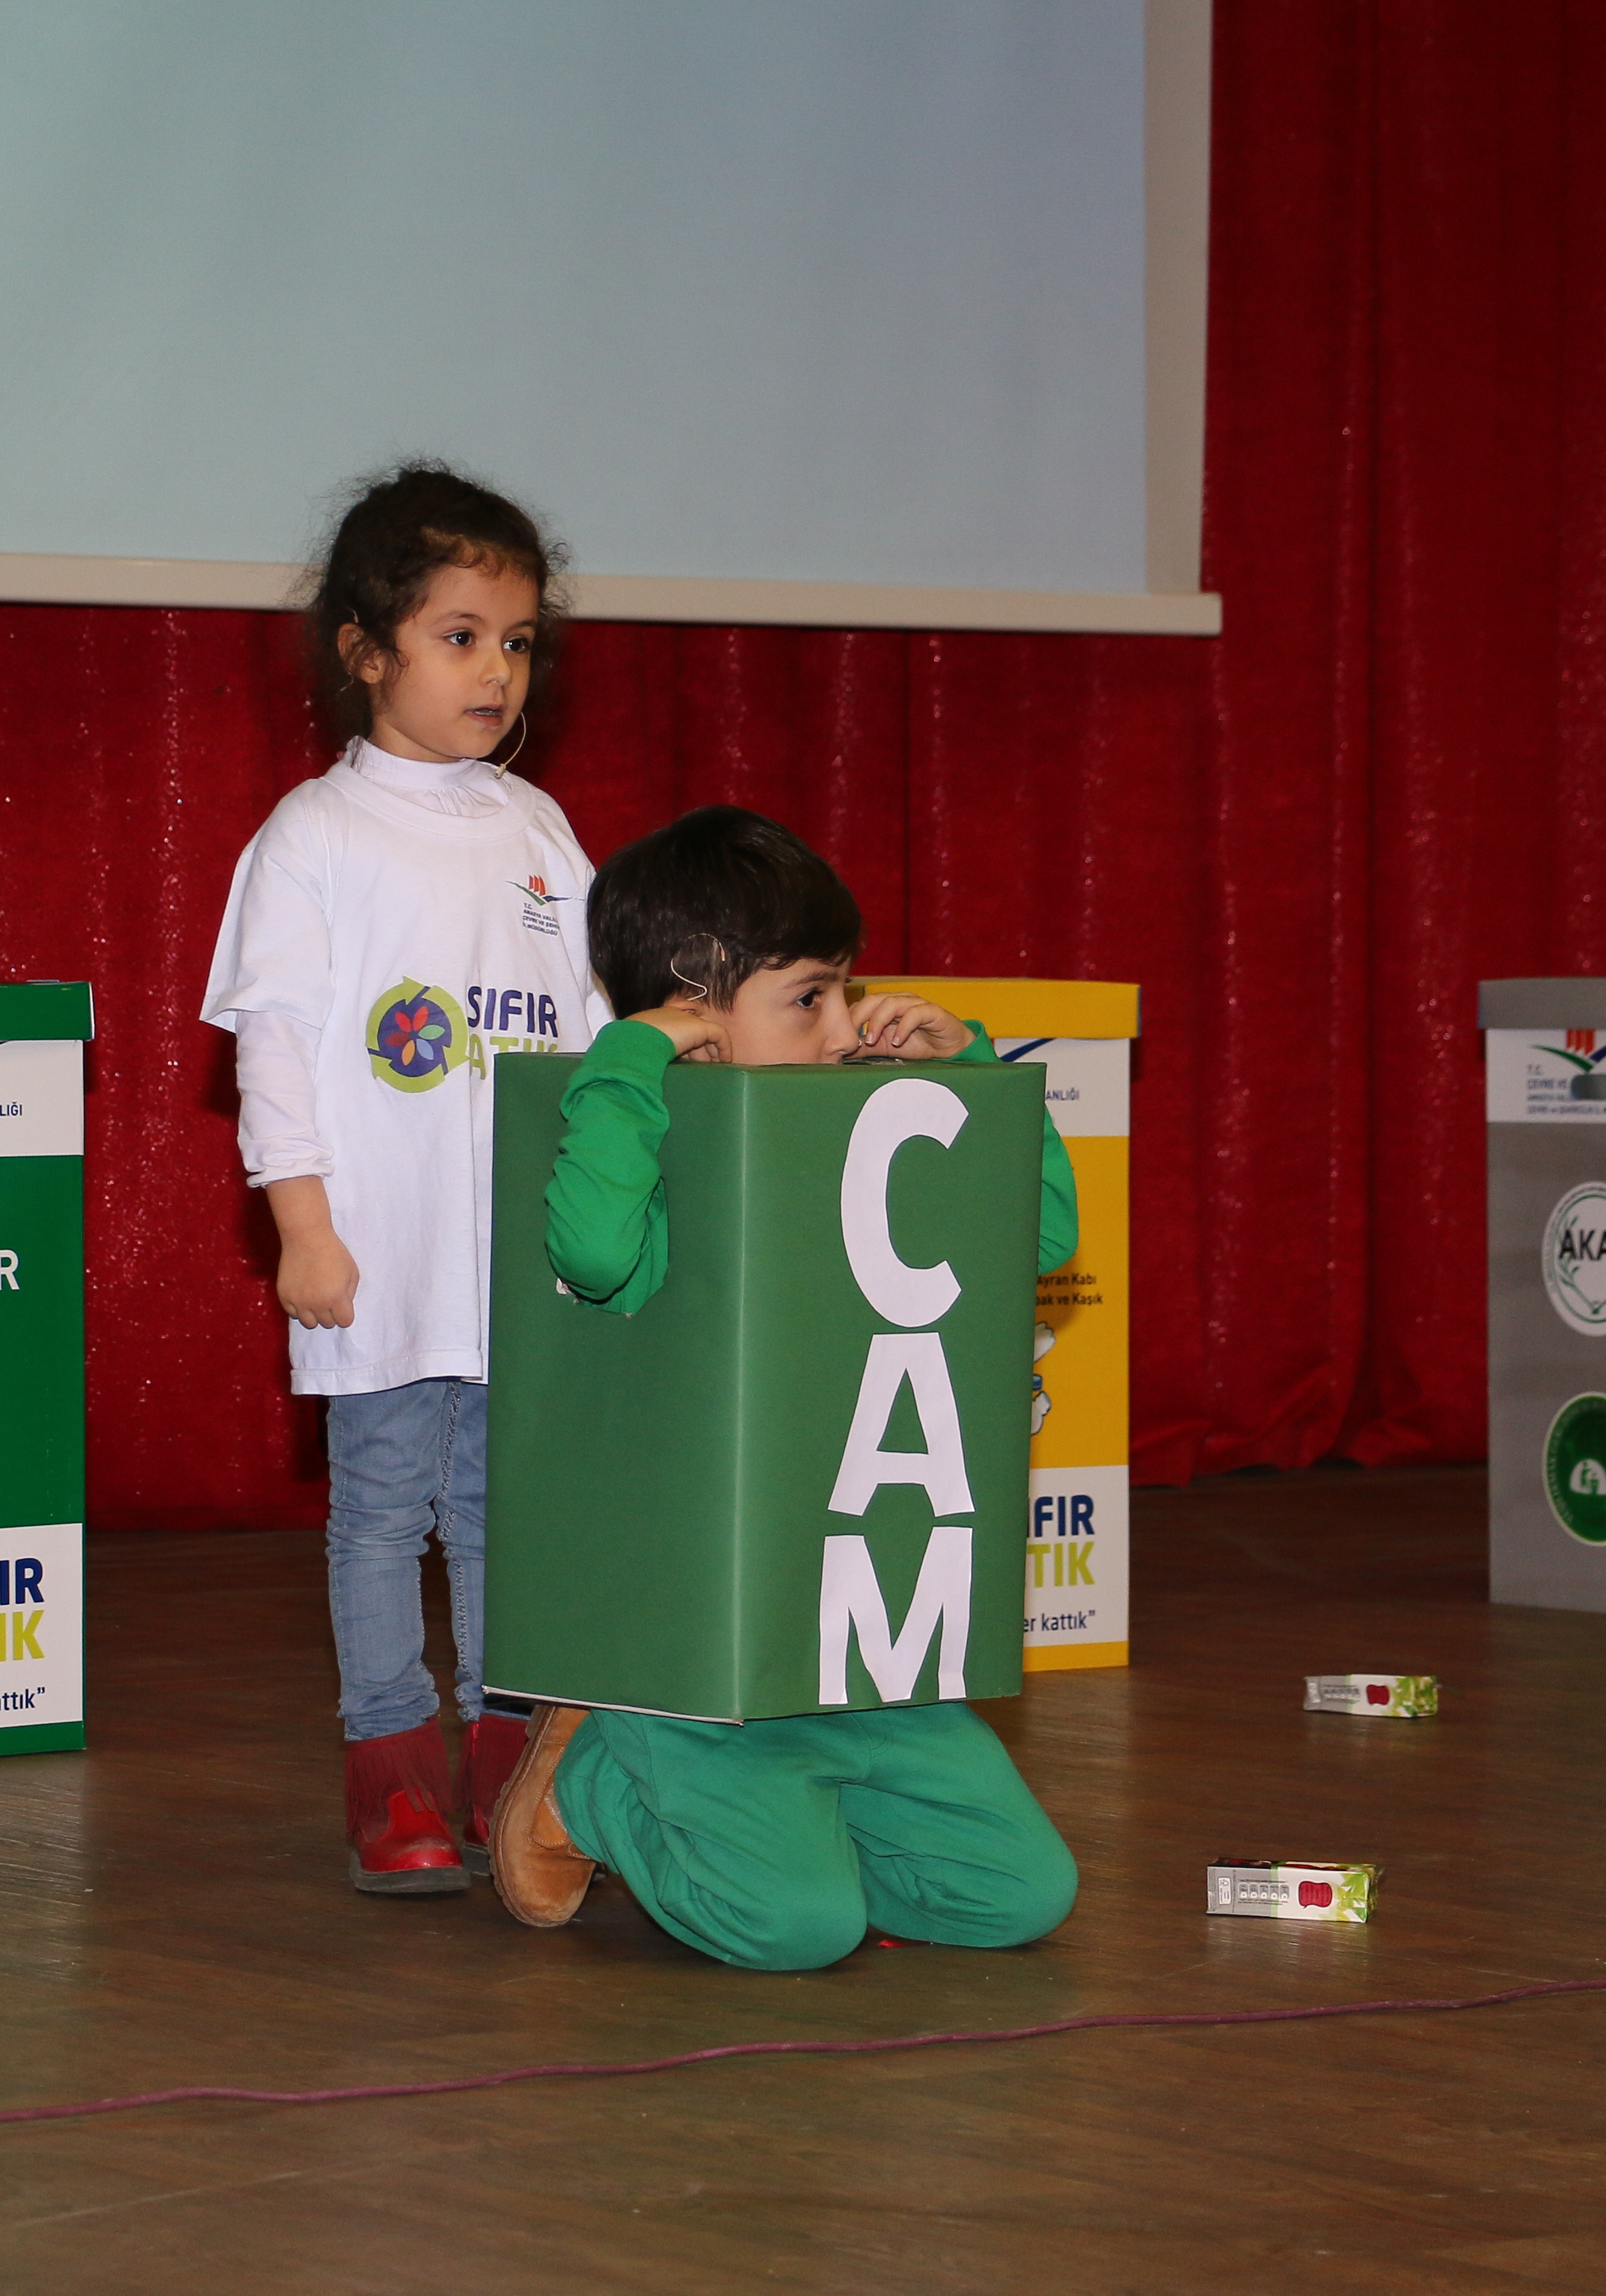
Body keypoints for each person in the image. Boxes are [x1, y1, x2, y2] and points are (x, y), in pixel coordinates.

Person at [486, 806, 1080, 1970]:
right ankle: (599, 1771)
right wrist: (632, 1062)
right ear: (695, 1013)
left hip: (858, 1665)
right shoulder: (653, 1135)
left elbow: (1038, 1239)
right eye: (810, 999)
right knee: (794, 1931)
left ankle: (817, 1826)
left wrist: (965, 1070)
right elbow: (596, 1253)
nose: (845, 1027)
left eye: (845, 992)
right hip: (701, 1673)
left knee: (1023, 1896)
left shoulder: (869, 1123)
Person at [203, 464, 609, 1893]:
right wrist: (301, 1228)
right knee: (382, 1514)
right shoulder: (317, 835)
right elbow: (280, 1049)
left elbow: (599, 1047)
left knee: (507, 1515)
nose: (494, 670)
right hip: (380, 1257)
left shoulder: (542, 832)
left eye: (516, 641)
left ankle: (512, 1755)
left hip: (517, 1263)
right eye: (458, 636)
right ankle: (392, 1770)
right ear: (366, 650)